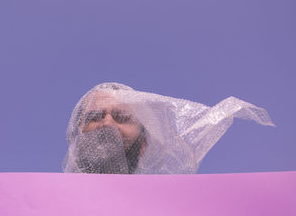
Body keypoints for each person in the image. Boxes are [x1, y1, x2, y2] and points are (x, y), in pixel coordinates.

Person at [62, 82, 274, 174]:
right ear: (75, 136)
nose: (107, 124)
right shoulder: (41, 201)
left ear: (144, 144)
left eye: (122, 118)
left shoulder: (180, 210)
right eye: (94, 116)